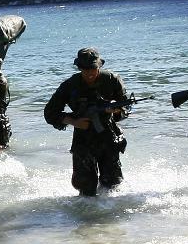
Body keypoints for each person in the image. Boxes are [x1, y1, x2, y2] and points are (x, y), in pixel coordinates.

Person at [44, 47, 129, 196]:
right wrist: (72, 121)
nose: (89, 73)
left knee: (112, 186)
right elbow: (50, 112)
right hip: (83, 138)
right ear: (79, 68)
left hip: (108, 135)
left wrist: (115, 110)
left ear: (99, 66)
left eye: (92, 69)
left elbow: (125, 106)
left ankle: (110, 216)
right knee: (86, 188)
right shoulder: (70, 85)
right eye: (85, 70)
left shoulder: (111, 80)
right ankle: (87, 216)